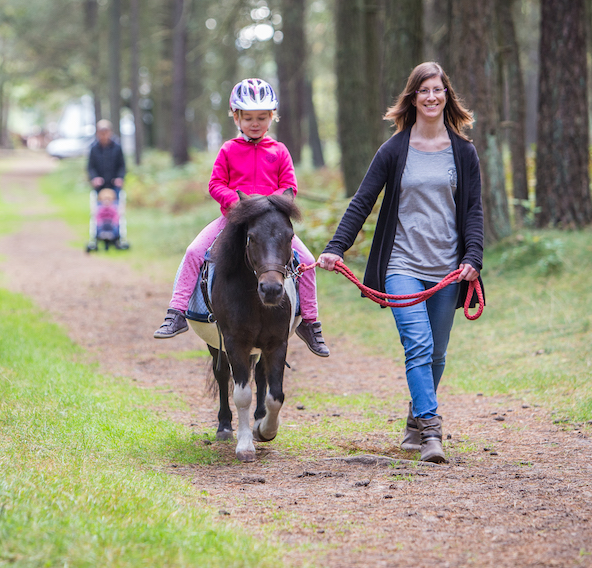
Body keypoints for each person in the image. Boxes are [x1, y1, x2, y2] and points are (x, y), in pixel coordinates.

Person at [317, 62, 485, 463]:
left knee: (438, 354)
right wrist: (336, 247)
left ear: (447, 96)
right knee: (419, 345)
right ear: (412, 97)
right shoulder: (394, 150)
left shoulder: (464, 152)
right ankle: (430, 431)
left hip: (447, 270)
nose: (431, 97)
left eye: (438, 90)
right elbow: (363, 201)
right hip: (401, 265)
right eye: (423, 90)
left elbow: (474, 211)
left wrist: (473, 256)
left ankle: (414, 419)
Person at [152, 78, 329, 357]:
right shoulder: (228, 150)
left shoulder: (279, 151)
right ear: (236, 117)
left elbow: (290, 187)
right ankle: (176, 312)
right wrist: (237, 204)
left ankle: (310, 322)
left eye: (261, 117)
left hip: (271, 226)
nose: (255, 123)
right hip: (233, 220)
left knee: (306, 260)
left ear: (272, 117)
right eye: (248, 118)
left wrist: (275, 204)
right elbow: (216, 184)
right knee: (194, 251)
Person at [87, 119, 126, 193]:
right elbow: (91, 167)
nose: (104, 135)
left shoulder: (117, 147)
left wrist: (120, 178)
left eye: (106, 132)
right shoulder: (94, 148)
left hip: (114, 185)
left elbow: (122, 165)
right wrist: (94, 178)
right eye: (101, 132)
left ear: (110, 132)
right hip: (100, 186)